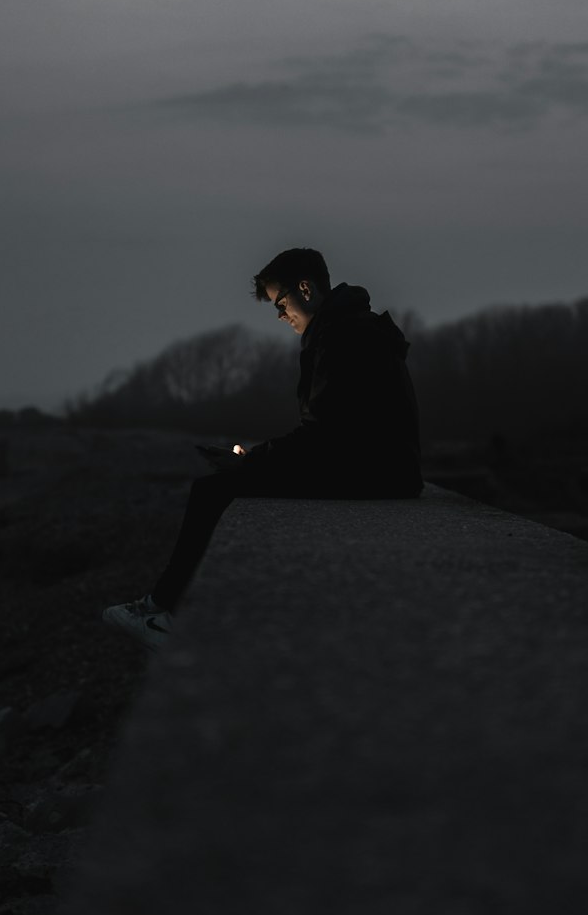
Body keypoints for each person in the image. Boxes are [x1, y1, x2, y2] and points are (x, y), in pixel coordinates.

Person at [102, 247, 423, 648]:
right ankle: (162, 606)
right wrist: (257, 459)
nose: (281, 315)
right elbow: (332, 430)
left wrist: (254, 461)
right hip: (378, 465)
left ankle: (166, 612)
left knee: (212, 492)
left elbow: (324, 434)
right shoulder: (346, 327)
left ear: (305, 288)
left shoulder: (343, 335)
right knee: (222, 486)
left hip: (376, 472)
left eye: (281, 302)